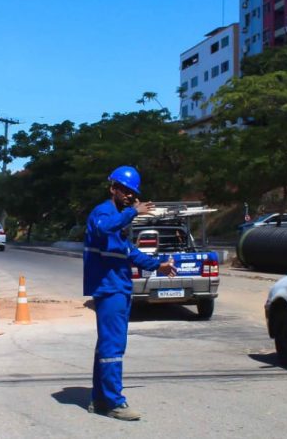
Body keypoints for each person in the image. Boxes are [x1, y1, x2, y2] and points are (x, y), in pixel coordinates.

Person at [83, 165, 176, 421]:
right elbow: (103, 228)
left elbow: (130, 253)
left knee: (107, 346)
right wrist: (132, 212)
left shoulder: (118, 223)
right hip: (109, 289)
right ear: (113, 188)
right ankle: (114, 402)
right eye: (125, 191)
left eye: (132, 193)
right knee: (113, 346)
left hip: (119, 288)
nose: (129, 196)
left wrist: (159, 265)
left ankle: (100, 398)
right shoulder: (103, 213)